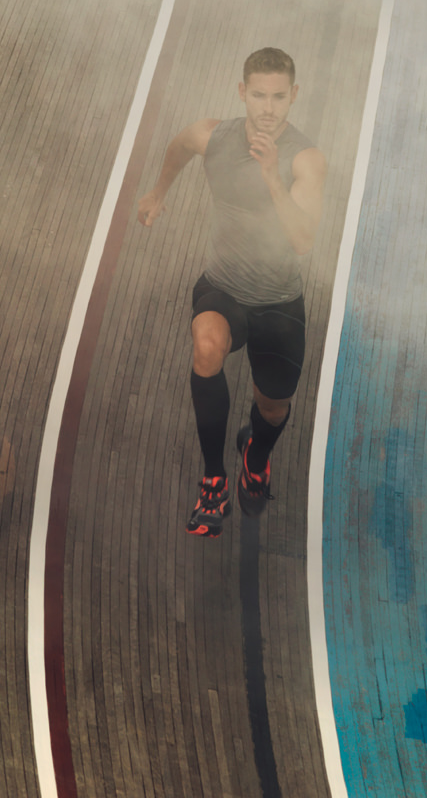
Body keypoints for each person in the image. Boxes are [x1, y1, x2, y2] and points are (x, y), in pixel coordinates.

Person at [137, 47, 326, 537]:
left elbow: (303, 242)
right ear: (242, 93)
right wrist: (159, 192)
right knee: (206, 346)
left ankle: (254, 455)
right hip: (222, 287)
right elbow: (179, 147)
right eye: (259, 95)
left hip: (278, 302)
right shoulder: (213, 135)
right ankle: (214, 480)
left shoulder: (306, 159)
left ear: (293, 97)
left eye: (278, 97)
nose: (267, 107)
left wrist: (271, 176)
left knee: (272, 408)